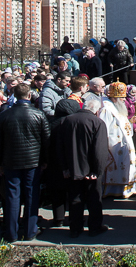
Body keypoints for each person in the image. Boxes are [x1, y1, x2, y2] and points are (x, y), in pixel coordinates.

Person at [0, 82, 50, 242]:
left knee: (12, 196)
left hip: (11, 161)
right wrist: (45, 160)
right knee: (32, 195)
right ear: (29, 95)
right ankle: (30, 231)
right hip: (33, 162)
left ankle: (11, 232)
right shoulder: (38, 114)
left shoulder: (5, 115)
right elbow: (46, 140)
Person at [53, 94, 111, 238]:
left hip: (72, 167)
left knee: (75, 198)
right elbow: (99, 149)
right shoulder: (97, 122)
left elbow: (59, 147)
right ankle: (94, 227)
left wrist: (64, 168)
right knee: (94, 199)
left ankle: (75, 228)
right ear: (96, 110)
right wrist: (97, 170)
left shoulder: (66, 120)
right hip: (91, 169)